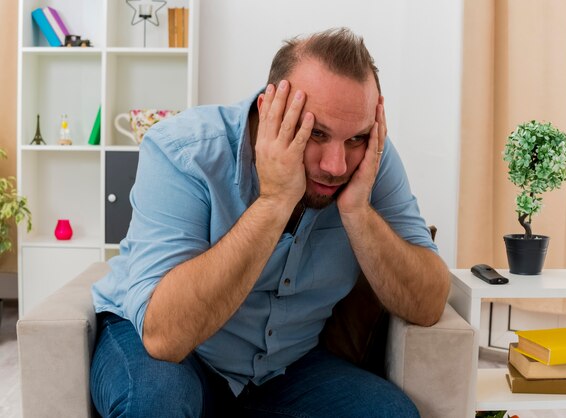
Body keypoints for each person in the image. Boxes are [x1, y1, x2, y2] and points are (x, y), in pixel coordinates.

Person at [90, 27, 450, 418]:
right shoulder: (184, 150)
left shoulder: (368, 160)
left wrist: (358, 212)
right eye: (316, 133)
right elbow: (164, 338)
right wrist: (275, 201)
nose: (336, 165)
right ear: (270, 111)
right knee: (155, 404)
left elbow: (428, 304)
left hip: (285, 366)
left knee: (390, 413)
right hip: (166, 347)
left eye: (356, 138)